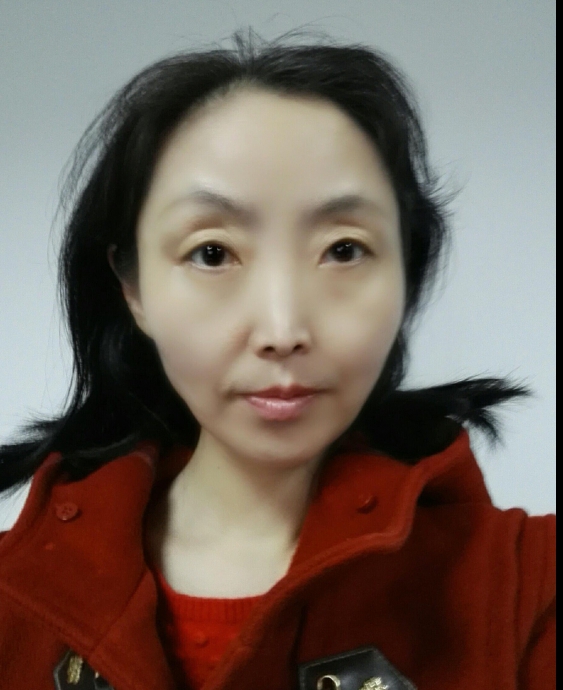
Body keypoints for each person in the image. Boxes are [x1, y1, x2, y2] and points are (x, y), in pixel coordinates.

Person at [0, 31, 555, 690]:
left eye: (343, 249)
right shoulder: (16, 598)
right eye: (212, 253)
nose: (283, 329)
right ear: (133, 289)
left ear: (405, 273)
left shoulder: (529, 589)